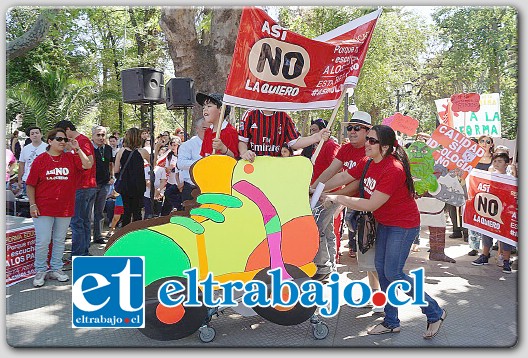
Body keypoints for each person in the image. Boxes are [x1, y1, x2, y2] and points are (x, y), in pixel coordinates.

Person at [322, 125, 447, 339]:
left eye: (372, 140)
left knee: (394, 273)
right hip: (385, 223)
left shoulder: (393, 169)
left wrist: (338, 198)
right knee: (383, 272)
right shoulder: (369, 161)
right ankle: (391, 322)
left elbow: (371, 204)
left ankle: (434, 312)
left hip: (403, 226)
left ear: (386, 147)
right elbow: (343, 178)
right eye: (367, 138)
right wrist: (316, 187)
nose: (367, 143)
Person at [26, 128, 92, 287]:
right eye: (58, 139)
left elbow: (88, 164)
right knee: (43, 240)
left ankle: (56, 268)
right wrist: (32, 204)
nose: (63, 142)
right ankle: (40, 270)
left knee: (59, 240)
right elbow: (30, 184)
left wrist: (77, 148)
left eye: (64, 139)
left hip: (65, 207)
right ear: (50, 141)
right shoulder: (40, 160)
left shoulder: (70, 157)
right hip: (43, 208)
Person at [54, 120, 96, 258]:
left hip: (83, 186)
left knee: (77, 222)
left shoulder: (81, 141)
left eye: (62, 134)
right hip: (84, 186)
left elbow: (88, 162)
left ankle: (78, 254)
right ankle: (83, 252)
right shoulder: (78, 141)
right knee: (83, 221)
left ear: (67, 129)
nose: (61, 138)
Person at [472, 152, 515, 273]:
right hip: (490, 211)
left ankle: (506, 261)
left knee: (505, 236)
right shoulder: (488, 177)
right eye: (495, 161)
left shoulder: (511, 179)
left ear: (507, 164)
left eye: (500, 161)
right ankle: (484, 256)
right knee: (486, 232)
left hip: (505, 212)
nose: (496, 164)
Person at [238, 109, 329, 161]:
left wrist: (316, 137)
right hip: (253, 165)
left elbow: (294, 142)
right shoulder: (250, 114)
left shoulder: (284, 117)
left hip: (276, 167)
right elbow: (242, 141)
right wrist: (244, 152)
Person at [113, 128, 150, 227]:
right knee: (137, 212)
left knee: (126, 212)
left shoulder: (121, 151)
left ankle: (125, 233)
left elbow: (116, 170)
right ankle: (137, 234)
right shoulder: (143, 152)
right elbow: (152, 165)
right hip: (138, 185)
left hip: (125, 186)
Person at [467, 135, 494, 257]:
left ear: (491, 144)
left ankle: (487, 248)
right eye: (482, 141)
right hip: (474, 193)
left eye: (487, 142)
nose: (484, 143)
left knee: (487, 221)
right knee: (473, 220)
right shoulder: (473, 158)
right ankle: (474, 247)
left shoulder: (495, 159)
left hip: (490, 195)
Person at [196, 92, 239, 158]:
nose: (205, 109)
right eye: (204, 107)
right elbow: (204, 156)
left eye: (209, 106)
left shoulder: (230, 132)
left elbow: (235, 159)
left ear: (221, 109)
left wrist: (223, 149)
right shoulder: (208, 131)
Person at [91, 126, 114, 244]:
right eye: (98, 135)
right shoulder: (88, 148)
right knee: (88, 212)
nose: (101, 137)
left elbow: (111, 164)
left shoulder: (108, 149)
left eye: (103, 135)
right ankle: (84, 237)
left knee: (99, 211)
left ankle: (98, 236)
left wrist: (111, 176)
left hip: (104, 184)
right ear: (93, 136)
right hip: (91, 184)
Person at [177, 118, 207, 203]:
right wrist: (202, 163)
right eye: (204, 128)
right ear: (197, 129)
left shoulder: (216, 144)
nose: (208, 131)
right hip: (192, 188)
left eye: (211, 128)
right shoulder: (188, 145)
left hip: (210, 188)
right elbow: (181, 163)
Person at [17, 126, 47, 195]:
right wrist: (19, 179)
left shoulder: (47, 147)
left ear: (41, 134)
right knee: (28, 202)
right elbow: (21, 165)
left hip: (43, 180)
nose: (35, 135)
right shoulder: (25, 149)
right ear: (29, 136)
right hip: (27, 180)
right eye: (32, 134)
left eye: (37, 133)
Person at [162, 136, 184, 214]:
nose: (174, 147)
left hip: (179, 183)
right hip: (171, 181)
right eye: (172, 144)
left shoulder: (182, 156)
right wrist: (170, 167)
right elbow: (166, 169)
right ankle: (164, 217)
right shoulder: (170, 156)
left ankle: (179, 209)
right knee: (167, 201)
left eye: (176, 145)